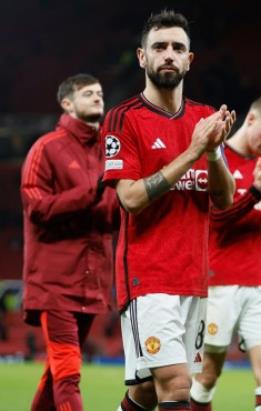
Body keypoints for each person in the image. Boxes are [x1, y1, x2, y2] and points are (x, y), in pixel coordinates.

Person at [101, 10, 236, 411]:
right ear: (142, 57)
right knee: (178, 387)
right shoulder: (123, 119)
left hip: (193, 278)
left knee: (145, 392)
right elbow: (130, 198)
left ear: (189, 60)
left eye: (178, 47)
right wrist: (193, 150)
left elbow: (225, 199)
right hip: (148, 277)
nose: (169, 55)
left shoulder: (203, 118)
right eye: (159, 47)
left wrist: (211, 153)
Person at [190, 94, 261, 411]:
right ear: (250, 119)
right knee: (207, 375)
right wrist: (255, 193)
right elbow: (215, 221)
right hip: (218, 282)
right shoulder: (216, 158)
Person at [21, 73, 119, 411]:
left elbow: (113, 213)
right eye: (88, 93)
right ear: (66, 103)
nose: (97, 97)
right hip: (54, 283)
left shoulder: (110, 149)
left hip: (93, 286)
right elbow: (36, 207)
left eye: (100, 93)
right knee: (68, 376)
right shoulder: (45, 148)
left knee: (55, 374)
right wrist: (93, 192)